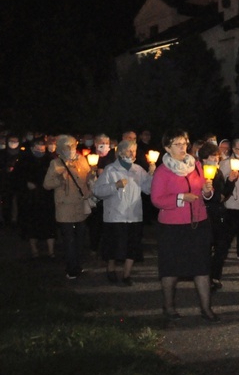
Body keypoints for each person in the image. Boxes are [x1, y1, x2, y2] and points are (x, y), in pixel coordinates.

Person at [150, 129, 219, 322]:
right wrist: (181, 197)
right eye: (177, 144)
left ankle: (206, 309)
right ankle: (169, 307)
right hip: (173, 227)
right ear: (167, 148)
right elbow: (156, 199)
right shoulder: (163, 171)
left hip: (198, 223)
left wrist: (207, 191)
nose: (183, 148)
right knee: (171, 268)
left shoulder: (196, 165)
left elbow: (205, 194)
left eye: (184, 143)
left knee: (202, 268)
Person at [93, 139, 155, 285]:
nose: (132, 153)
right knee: (114, 247)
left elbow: (148, 189)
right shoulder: (110, 170)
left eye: (134, 150)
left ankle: (126, 275)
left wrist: (152, 174)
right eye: (129, 150)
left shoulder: (138, 170)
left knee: (132, 247)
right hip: (115, 216)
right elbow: (97, 191)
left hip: (134, 216)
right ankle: (111, 269)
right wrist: (115, 186)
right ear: (120, 152)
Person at [43, 135, 96, 279]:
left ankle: (77, 264)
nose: (71, 149)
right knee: (69, 239)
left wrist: (92, 173)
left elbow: (87, 178)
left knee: (80, 237)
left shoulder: (82, 160)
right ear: (60, 148)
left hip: (80, 205)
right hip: (64, 206)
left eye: (72, 146)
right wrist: (60, 179)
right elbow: (47, 184)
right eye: (67, 146)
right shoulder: (56, 163)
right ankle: (71, 268)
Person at [197, 142, 232, 291]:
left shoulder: (217, 172)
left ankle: (215, 276)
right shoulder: (197, 173)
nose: (216, 161)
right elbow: (207, 196)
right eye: (213, 157)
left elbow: (223, 193)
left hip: (219, 213)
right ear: (204, 159)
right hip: (205, 214)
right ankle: (205, 277)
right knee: (206, 247)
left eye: (217, 158)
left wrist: (231, 182)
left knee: (221, 246)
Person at [13, 136, 56, 258]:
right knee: (32, 225)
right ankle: (34, 250)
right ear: (32, 149)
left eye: (43, 150)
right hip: (31, 199)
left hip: (47, 197)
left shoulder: (49, 160)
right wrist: (26, 183)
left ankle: (51, 250)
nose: (41, 152)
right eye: (38, 149)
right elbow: (17, 178)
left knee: (49, 225)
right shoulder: (24, 161)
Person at [218, 138, 239, 261]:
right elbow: (221, 182)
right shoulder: (226, 163)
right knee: (229, 230)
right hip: (231, 201)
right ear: (233, 149)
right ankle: (223, 252)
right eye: (238, 149)